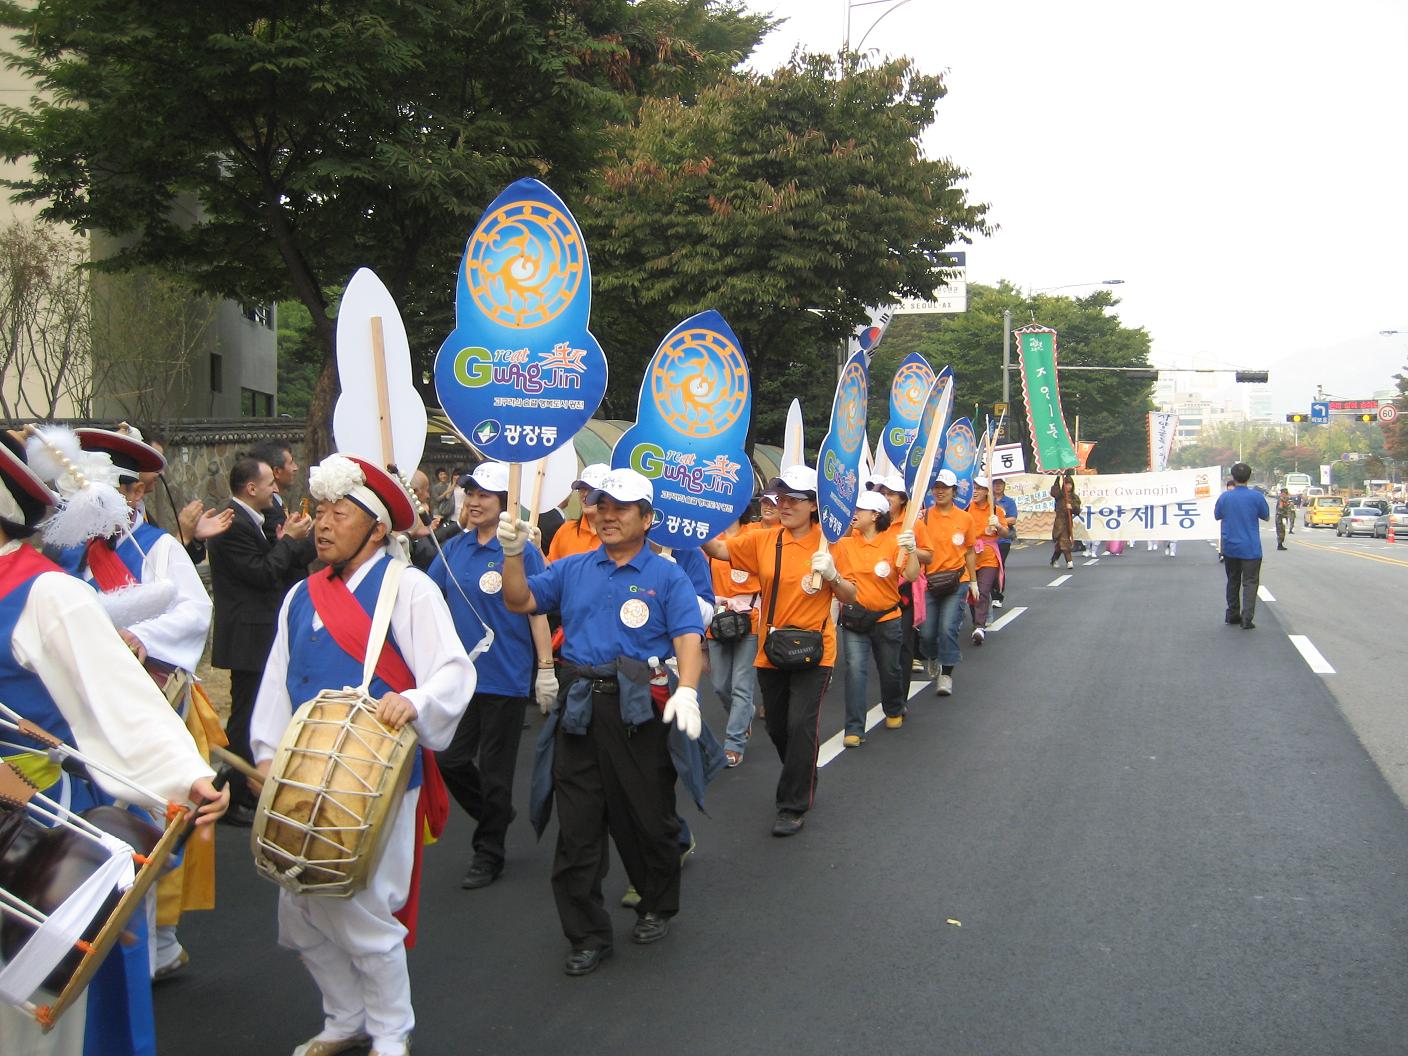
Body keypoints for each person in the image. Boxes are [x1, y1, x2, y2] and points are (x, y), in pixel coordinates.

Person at [0, 433, 228, 1056]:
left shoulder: (45, 593)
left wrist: (186, 777)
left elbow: (119, 698)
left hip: (36, 825)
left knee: (40, 1010)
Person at [250, 454, 475, 1056]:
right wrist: (268, 756)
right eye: (318, 512)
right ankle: (344, 1016)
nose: (322, 525)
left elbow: (452, 671)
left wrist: (416, 700)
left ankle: (390, 1030)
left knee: (364, 909)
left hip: (374, 777)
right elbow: (278, 682)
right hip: (304, 774)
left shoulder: (410, 587)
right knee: (299, 914)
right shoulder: (300, 594)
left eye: (339, 513)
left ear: (377, 527)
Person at [499, 468, 706, 976]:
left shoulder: (666, 575)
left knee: (646, 816)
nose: (607, 516)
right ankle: (587, 933)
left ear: (647, 518)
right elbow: (520, 600)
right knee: (578, 825)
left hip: (638, 710)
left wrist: (688, 691)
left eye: (621, 508)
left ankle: (657, 904)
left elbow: (687, 637)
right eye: (600, 506)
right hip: (580, 707)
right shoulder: (572, 568)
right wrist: (511, 555)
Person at [60, 429, 217, 981]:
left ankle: (154, 942)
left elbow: (193, 614)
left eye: (127, 488)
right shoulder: (67, 552)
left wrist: (141, 638)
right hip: (81, 706)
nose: (121, 499)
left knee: (148, 820)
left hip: (145, 700)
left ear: (138, 492)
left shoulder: (159, 548)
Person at [701, 465, 859, 837]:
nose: (783, 505)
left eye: (792, 499)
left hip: (815, 650)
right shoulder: (764, 539)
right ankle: (803, 771)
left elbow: (852, 596)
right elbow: (719, 549)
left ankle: (792, 804)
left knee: (800, 724)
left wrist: (834, 575)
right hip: (771, 648)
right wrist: (697, 521)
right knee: (777, 726)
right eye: (778, 498)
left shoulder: (832, 542)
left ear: (813, 505)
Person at [426, 462, 556, 890]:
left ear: (503, 503)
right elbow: (429, 599)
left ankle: (489, 852)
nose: (475, 501)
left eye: (484, 494)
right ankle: (495, 814)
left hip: (505, 675)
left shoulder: (519, 548)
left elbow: (537, 610)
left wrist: (545, 669)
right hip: (459, 677)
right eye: (471, 493)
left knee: (498, 771)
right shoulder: (455, 548)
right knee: (450, 758)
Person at [207, 455, 315, 826]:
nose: (275, 488)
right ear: (251, 488)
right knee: (244, 716)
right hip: (246, 634)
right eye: (269, 482)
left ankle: (247, 787)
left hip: (259, 631)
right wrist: (287, 544)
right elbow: (262, 572)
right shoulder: (231, 524)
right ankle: (233, 793)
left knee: (258, 712)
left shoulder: (257, 521)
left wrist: (290, 541)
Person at [832, 490, 920, 747]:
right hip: (855, 620)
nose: (854, 513)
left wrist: (911, 551)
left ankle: (893, 708)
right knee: (855, 671)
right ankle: (854, 728)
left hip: (887, 619)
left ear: (876, 515)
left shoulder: (893, 542)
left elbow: (912, 575)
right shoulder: (846, 544)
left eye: (860, 510)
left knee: (890, 669)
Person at [918, 469, 980, 697]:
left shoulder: (965, 518)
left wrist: (973, 580)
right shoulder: (923, 516)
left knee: (947, 628)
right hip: (929, 582)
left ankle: (946, 673)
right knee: (926, 633)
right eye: (937, 487)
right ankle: (933, 656)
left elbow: (970, 551)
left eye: (945, 487)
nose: (940, 491)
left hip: (957, 580)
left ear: (955, 491)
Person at [706, 518, 761, 767]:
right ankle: (744, 713)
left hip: (749, 618)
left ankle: (734, 743)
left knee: (742, 684)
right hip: (717, 619)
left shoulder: (756, 535)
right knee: (719, 685)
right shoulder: (709, 539)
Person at [873, 474, 933, 690]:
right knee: (882, 644)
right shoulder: (876, 520)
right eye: (883, 493)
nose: (886, 498)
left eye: (891, 494)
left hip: (905, 587)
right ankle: (890, 688)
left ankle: (900, 696)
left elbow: (929, 555)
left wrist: (911, 549)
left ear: (902, 499)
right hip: (879, 586)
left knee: (904, 641)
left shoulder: (914, 524)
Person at [1214, 461, 1270, 630]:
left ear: (1232, 477)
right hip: (1251, 548)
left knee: (1233, 580)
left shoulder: (1224, 497)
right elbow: (1266, 516)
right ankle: (1247, 619)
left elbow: (1217, 515)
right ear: (1249, 477)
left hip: (1230, 546)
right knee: (1250, 582)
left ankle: (1232, 614)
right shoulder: (1256, 497)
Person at [966, 476, 1010, 646]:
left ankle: (979, 626)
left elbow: (1006, 533)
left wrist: (998, 526)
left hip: (989, 555)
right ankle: (978, 619)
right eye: (974, 488)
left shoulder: (996, 511)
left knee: (983, 590)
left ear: (986, 492)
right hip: (969, 555)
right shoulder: (966, 509)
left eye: (979, 488)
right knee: (972, 591)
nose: (975, 491)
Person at [545, 463, 609, 563]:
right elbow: (551, 573)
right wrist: (536, 548)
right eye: (582, 489)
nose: (586, 494)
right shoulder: (566, 531)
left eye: (592, 489)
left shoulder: (618, 534)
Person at [250, 439, 300, 546]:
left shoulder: (277, 502)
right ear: (277, 471)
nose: (296, 468)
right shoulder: (268, 507)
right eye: (291, 463)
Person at [990, 476, 1018, 608]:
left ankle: (998, 596)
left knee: (998, 567)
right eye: (995, 484)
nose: (998, 486)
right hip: (988, 540)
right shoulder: (988, 501)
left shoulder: (1009, 502)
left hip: (1003, 539)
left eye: (1000, 484)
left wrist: (998, 522)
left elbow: (1013, 519)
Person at [1049, 470, 1080, 568]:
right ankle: (1069, 561)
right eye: (1066, 484)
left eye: (1070, 484)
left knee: (1061, 544)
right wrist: (1058, 478)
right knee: (1064, 542)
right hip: (1059, 523)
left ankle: (1054, 559)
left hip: (1068, 523)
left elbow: (1077, 510)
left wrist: (1072, 507)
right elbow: (1054, 491)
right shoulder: (1060, 495)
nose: (1068, 486)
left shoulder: (1075, 497)